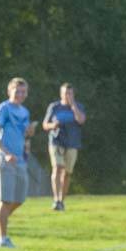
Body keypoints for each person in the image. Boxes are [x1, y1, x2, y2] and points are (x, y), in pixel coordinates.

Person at [0, 78, 35, 249]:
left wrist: (29, 133)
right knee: (6, 200)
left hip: (19, 160)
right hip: (5, 159)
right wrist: (6, 153)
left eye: (23, 91)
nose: (20, 94)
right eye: (17, 91)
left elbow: (22, 134)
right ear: (9, 91)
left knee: (19, 199)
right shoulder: (4, 108)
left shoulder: (24, 111)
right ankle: (2, 239)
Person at [43, 82, 86, 211]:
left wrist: (73, 106)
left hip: (72, 143)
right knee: (57, 167)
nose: (68, 95)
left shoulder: (78, 106)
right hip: (56, 141)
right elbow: (45, 125)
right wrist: (53, 125)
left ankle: (62, 200)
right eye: (65, 93)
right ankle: (56, 199)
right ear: (61, 94)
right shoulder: (54, 107)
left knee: (67, 173)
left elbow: (81, 120)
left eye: (70, 93)